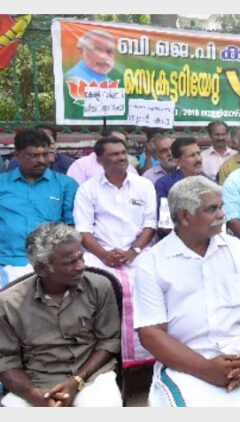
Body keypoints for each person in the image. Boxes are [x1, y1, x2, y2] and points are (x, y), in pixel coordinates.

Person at [133, 176, 240, 407]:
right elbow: (151, 333)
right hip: (188, 360)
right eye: (211, 209)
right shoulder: (152, 262)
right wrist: (206, 369)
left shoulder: (238, 250)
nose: (221, 215)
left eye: (221, 207)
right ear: (184, 217)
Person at [0, 223, 121, 407]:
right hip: (36, 382)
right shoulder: (10, 303)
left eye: (81, 257)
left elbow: (109, 341)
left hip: (91, 377)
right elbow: (6, 361)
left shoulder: (99, 287)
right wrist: (33, 394)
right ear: (41, 269)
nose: (81, 266)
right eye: (70, 263)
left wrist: (76, 382)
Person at [73, 136, 156, 366]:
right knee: (96, 288)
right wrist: (104, 255)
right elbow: (83, 230)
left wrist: (134, 251)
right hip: (100, 256)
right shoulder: (88, 189)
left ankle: (147, 355)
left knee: (149, 286)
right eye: (114, 154)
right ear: (100, 160)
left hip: (138, 253)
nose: (121, 158)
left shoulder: (144, 185)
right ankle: (106, 352)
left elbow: (150, 224)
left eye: (123, 153)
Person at [0, 129, 78, 285]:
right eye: (33, 155)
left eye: (45, 154)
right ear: (17, 155)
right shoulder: (2, 184)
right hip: (6, 261)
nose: (41, 160)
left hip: (50, 265)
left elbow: (72, 227)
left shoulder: (65, 184)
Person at [154, 137, 207, 220]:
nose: (198, 159)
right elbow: (163, 218)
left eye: (198, 154)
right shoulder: (164, 184)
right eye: (192, 155)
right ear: (177, 161)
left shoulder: (209, 183)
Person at [5, 125, 75, 175]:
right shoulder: (17, 162)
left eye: (52, 143)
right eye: (43, 145)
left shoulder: (68, 164)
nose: (50, 148)